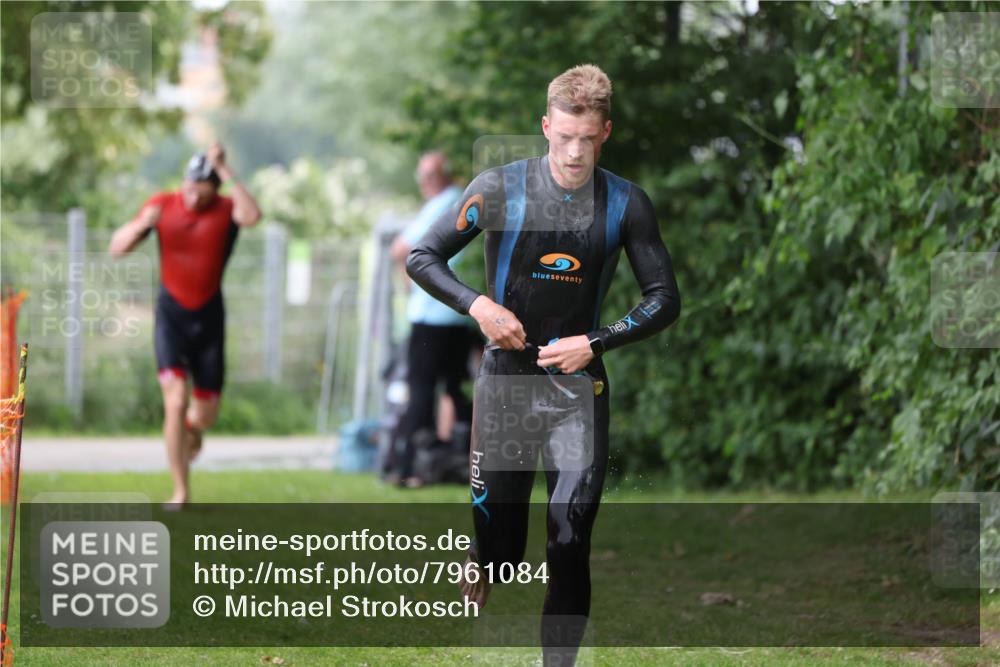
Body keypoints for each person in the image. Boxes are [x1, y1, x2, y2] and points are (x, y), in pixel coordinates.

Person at [406, 64, 681, 664]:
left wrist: (596, 342)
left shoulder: (626, 203)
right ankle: (485, 555)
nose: (575, 152)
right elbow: (422, 257)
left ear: (605, 131)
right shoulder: (499, 189)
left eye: (587, 138)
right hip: (505, 384)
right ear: (546, 126)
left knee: (569, 539)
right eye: (565, 137)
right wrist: (480, 306)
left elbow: (664, 298)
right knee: (503, 554)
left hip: (577, 389)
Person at [109, 143, 262, 506]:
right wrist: (141, 225)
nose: (193, 196)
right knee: (175, 401)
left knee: (205, 415)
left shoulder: (227, 209)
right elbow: (117, 248)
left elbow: (252, 216)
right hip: (171, 318)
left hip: (209, 319)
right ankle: (181, 491)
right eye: (189, 187)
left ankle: (191, 429)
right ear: (183, 182)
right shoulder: (162, 204)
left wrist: (224, 168)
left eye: (202, 190)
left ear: (215, 189)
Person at [388, 151, 476, 487]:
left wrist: (407, 280)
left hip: (431, 314)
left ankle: (410, 468)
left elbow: (401, 249)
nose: (424, 183)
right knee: (457, 389)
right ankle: (470, 463)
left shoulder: (444, 202)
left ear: (444, 175)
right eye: (421, 176)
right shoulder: (465, 200)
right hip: (459, 313)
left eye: (429, 176)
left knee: (422, 390)